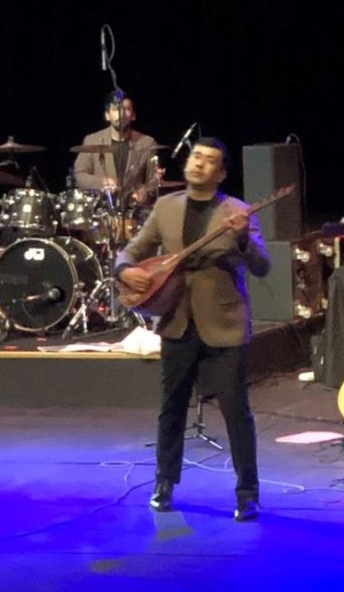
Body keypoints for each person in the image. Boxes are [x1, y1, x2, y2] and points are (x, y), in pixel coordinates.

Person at [116, 137, 270, 521]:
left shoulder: (237, 210)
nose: (199, 164)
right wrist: (125, 270)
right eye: (196, 156)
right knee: (171, 409)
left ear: (221, 173)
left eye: (209, 161)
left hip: (224, 324)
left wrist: (241, 237)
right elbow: (131, 251)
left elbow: (262, 266)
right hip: (177, 322)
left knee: (235, 411)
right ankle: (164, 482)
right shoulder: (166, 207)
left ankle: (247, 492)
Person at [73, 90, 163, 231]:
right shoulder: (92, 140)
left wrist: (144, 191)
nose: (121, 114)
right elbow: (80, 175)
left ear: (133, 115)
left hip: (135, 218)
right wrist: (102, 182)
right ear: (107, 115)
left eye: (126, 109)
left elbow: (154, 181)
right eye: (116, 109)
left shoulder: (147, 143)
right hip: (101, 218)